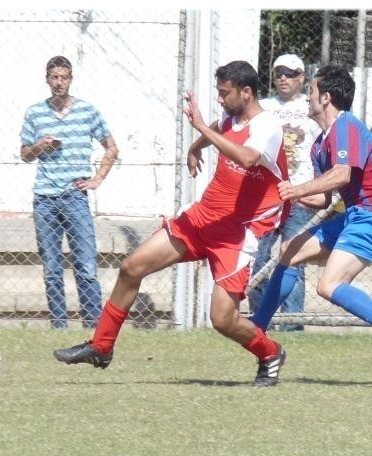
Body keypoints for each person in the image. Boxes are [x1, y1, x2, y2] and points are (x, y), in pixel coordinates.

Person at [53, 60, 290, 387]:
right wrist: (196, 147)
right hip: (201, 219)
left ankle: (270, 352)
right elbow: (220, 128)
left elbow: (247, 158)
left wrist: (201, 129)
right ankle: (101, 346)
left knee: (222, 320)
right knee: (131, 267)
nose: (220, 99)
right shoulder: (230, 118)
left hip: (236, 235)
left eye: (225, 93)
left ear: (246, 92)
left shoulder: (267, 126)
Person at [251, 65, 372, 376]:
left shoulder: (345, 127)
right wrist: (284, 193)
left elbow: (341, 175)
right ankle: (257, 327)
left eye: (312, 92)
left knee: (329, 285)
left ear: (326, 97)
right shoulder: (320, 144)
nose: (307, 98)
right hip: (354, 215)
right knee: (289, 251)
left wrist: (296, 189)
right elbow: (323, 199)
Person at [20, 55, 119, 329]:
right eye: (54, 77)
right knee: (52, 269)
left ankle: (93, 327)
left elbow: (112, 147)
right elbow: (25, 154)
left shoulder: (87, 111)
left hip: (75, 197)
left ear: (71, 79)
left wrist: (97, 179)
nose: (59, 82)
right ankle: (59, 327)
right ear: (47, 80)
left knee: (85, 267)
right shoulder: (35, 113)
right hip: (44, 199)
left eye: (63, 77)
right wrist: (40, 147)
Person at [248, 53, 321, 332]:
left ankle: (292, 326)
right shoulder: (264, 107)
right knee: (256, 259)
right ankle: (260, 322)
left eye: (289, 74)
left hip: (300, 196)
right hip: (267, 195)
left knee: (294, 260)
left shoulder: (311, 107)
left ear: (301, 77)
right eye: (278, 73)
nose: (283, 78)